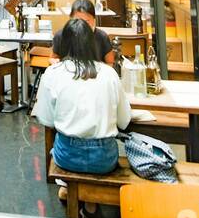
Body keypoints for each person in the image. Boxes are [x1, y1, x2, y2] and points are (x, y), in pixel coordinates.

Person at [33, 19, 131, 175]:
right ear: (92, 43)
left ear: (63, 44)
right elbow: (124, 121)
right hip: (104, 158)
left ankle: (66, 186)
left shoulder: (52, 74)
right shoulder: (109, 74)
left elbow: (47, 119)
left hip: (68, 156)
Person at [60, 0, 116, 67]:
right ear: (70, 19)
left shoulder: (102, 36)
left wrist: (101, 70)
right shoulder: (62, 35)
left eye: (86, 21)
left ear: (94, 20)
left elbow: (110, 62)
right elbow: (53, 57)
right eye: (78, 21)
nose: (82, 25)